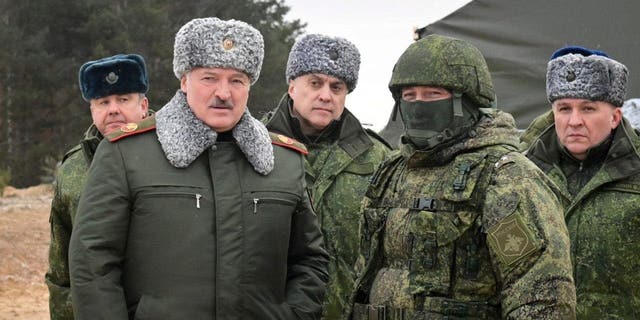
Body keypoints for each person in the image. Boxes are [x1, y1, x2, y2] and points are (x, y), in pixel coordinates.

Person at [68, 17, 329, 319]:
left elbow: (309, 261)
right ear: (184, 81)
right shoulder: (126, 153)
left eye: (236, 80)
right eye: (209, 78)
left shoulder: (284, 160)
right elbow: (93, 262)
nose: (223, 92)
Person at [349, 34, 576, 319]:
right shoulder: (391, 172)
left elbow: (541, 294)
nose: (419, 105)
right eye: (409, 96)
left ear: (468, 102)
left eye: (433, 95)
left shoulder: (505, 177)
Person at [263, 33, 390, 318]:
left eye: (337, 86)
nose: (325, 95)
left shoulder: (378, 158)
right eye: (315, 83)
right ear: (292, 85)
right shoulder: (253, 145)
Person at [522, 45, 640, 318]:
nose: (574, 121)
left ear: (614, 117)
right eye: (564, 108)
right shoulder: (523, 172)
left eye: (588, 109)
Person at [45, 53, 150, 320]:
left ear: (143, 105)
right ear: (92, 110)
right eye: (103, 102)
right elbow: (62, 271)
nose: (113, 109)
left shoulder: (175, 154)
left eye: (124, 99)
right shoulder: (72, 169)